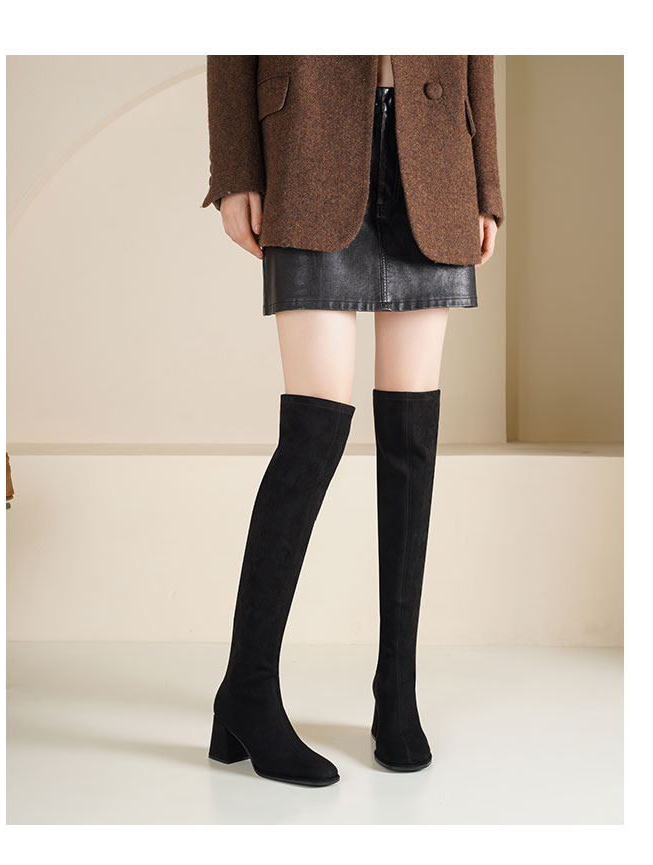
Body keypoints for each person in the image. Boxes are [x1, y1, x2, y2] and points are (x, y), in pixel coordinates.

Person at [201, 55, 503, 787]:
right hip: (308, 145)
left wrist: (487, 183)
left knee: (411, 438)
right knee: (315, 430)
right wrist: (235, 168)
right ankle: (248, 687)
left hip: (437, 154)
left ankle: (396, 690)